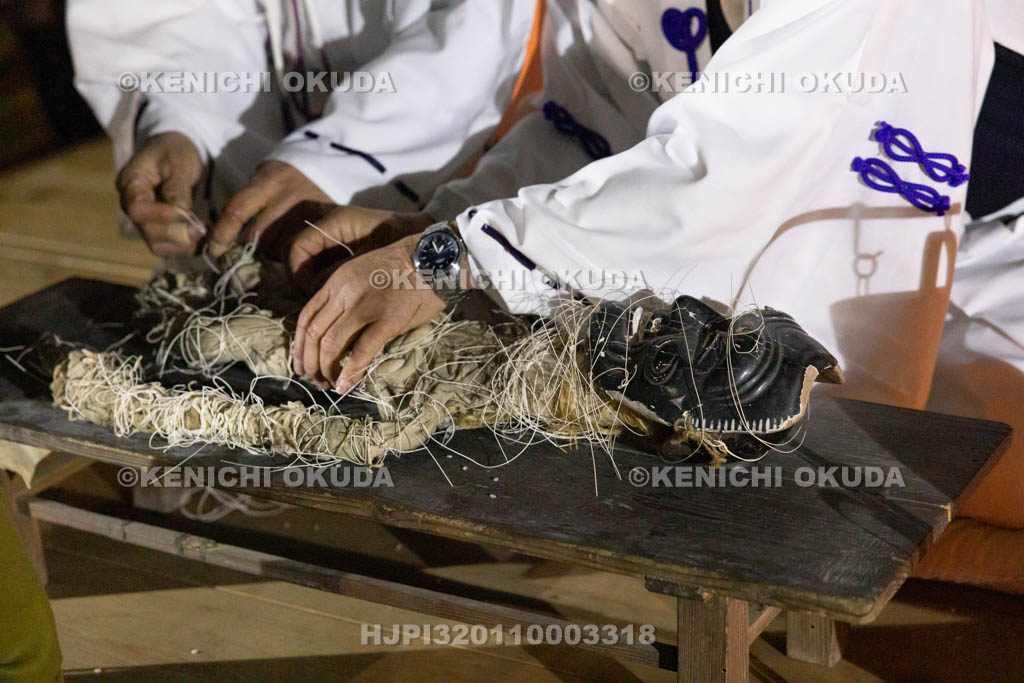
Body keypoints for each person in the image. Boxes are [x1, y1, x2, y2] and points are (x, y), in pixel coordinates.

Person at [285, 0, 995, 411]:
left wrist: (449, 259)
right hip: (717, 258)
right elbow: (593, 128)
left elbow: (719, 175)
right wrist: (453, 218)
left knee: (895, 456)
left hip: (974, 259)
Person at [67, 0, 536, 256]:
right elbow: (182, 14)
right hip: (253, 227)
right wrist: (185, 125)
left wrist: (339, 159)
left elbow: (473, 39)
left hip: (477, 210)